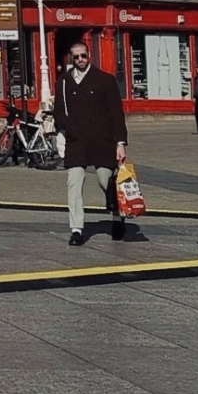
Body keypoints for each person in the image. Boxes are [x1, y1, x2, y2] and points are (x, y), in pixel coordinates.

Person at [51, 41, 136, 244]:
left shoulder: (105, 80)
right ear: (71, 59)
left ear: (89, 56)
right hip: (76, 141)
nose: (81, 60)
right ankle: (77, 229)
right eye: (76, 57)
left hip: (102, 140)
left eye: (84, 56)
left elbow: (116, 113)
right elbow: (59, 111)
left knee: (105, 181)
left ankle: (118, 217)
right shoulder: (63, 82)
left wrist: (120, 142)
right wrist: (67, 127)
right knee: (74, 182)